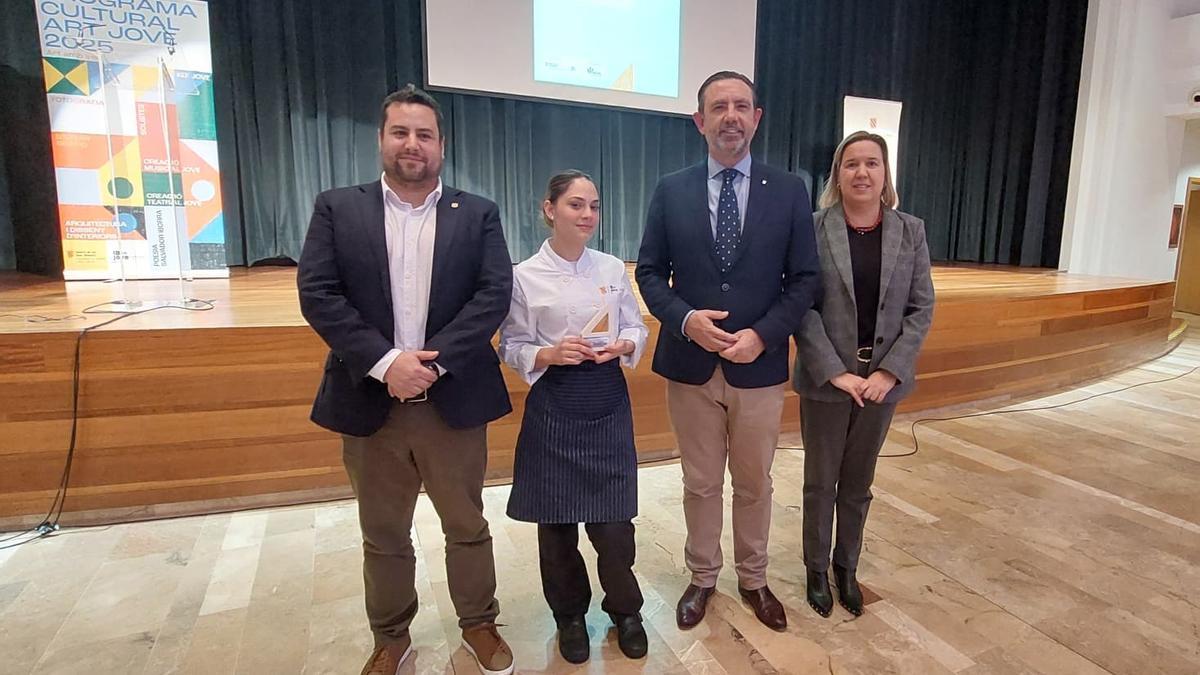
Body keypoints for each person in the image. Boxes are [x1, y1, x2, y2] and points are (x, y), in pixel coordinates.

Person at [297, 84, 515, 675]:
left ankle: (479, 623)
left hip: (454, 399)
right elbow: (318, 294)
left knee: (467, 524)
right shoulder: (338, 207)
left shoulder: (477, 213)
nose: (412, 144)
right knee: (383, 531)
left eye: (424, 134)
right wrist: (387, 363)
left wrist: (432, 362)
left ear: (441, 145)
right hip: (370, 400)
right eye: (401, 132)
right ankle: (390, 636)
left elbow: (492, 296)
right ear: (381, 140)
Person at [635, 71, 821, 632]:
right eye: (719, 107)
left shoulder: (789, 191)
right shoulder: (671, 188)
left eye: (742, 106)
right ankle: (702, 575)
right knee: (700, 481)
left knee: (755, 483)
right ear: (700, 121)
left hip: (759, 367)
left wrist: (762, 335)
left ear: (757, 118)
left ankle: (755, 579)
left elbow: (805, 279)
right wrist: (686, 320)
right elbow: (648, 272)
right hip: (689, 365)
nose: (731, 116)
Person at [498, 170, 650, 664]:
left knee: (614, 526)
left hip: (606, 398)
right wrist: (547, 354)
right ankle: (569, 616)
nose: (587, 215)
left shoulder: (609, 267)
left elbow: (633, 325)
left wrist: (626, 344)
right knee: (557, 526)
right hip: (555, 405)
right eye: (575, 205)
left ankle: (626, 611)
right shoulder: (523, 275)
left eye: (594, 206)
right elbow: (512, 345)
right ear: (550, 209)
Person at [793, 130, 935, 618]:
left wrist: (890, 372)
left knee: (858, 483)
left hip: (881, 384)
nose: (861, 173)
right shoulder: (812, 228)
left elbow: (921, 309)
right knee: (820, 482)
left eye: (871, 163)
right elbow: (801, 307)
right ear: (838, 174)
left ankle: (846, 567)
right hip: (827, 381)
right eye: (851, 164)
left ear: (885, 173)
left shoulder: (910, 230)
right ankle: (815, 569)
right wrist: (835, 372)